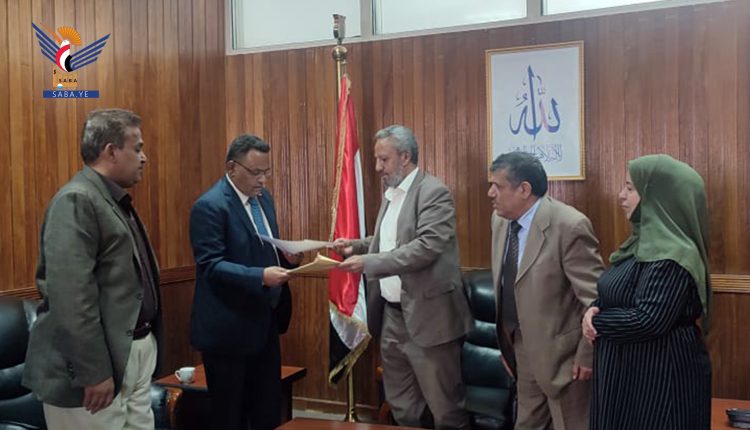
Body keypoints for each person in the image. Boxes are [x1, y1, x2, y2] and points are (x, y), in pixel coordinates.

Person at [23, 109, 161, 430]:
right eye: (137, 148)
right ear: (111, 151)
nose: (144, 158)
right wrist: (93, 371)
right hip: (92, 369)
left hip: (133, 351)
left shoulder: (111, 199)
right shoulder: (77, 200)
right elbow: (71, 297)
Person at [334, 124, 472, 430]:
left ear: (405, 157)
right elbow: (390, 241)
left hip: (430, 318)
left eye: (383, 159)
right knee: (403, 407)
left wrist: (368, 262)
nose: (377, 167)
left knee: (446, 409)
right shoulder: (391, 194)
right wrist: (355, 246)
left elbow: (425, 247)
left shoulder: (433, 192)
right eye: (376, 159)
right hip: (393, 318)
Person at [582, 154, 712, 430]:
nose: (621, 195)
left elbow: (649, 319)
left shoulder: (673, 256)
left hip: (659, 381)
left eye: (630, 188)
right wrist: (594, 308)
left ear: (659, 198)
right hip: (627, 374)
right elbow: (617, 293)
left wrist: (596, 322)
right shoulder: (637, 245)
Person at [189, 134, 300, 430]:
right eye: (255, 172)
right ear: (232, 168)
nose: (263, 180)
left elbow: (262, 247)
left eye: (266, 171)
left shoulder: (264, 199)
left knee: (266, 411)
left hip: (265, 322)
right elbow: (211, 265)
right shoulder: (210, 206)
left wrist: (287, 256)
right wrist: (260, 276)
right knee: (230, 416)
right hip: (228, 329)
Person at [488, 152, 603, 430]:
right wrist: (507, 344)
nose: (490, 193)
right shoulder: (500, 220)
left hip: (565, 359)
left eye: (498, 186)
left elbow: (595, 299)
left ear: (524, 189)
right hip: (521, 349)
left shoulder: (569, 225)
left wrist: (587, 354)